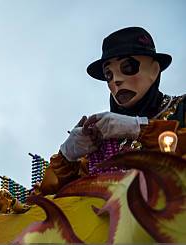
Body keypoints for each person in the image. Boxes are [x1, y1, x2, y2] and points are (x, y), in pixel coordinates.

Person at [40, 27, 185, 195]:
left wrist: (140, 129)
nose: (116, 80)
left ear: (153, 70)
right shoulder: (101, 146)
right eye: (109, 74)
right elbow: (41, 201)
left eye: (128, 67)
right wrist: (66, 156)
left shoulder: (182, 108)